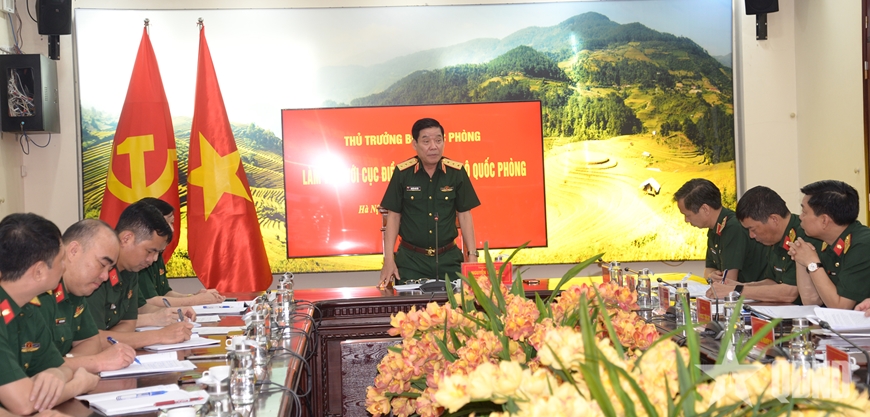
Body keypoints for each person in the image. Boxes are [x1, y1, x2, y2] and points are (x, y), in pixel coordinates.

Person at [0, 213, 99, 414]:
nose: (64, 266)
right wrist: (79, 384)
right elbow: (24, 403)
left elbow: (60, 366)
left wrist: (56, 375)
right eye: (61, 260)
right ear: (38, 271)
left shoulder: (27, 308)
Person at [378, 118, 480, 287]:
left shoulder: (456, 172)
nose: (434, 146)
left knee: (458, 303)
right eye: (426, 141)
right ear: (415, 144)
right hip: (411, 262)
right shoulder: (403, 173)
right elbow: (394, 217)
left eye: (438, 140)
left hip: (449, 259)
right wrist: (388, 259)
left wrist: (472, 256)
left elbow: (465, 215)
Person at [33, 219, 137, 373]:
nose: (105, 277)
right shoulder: (38, 294)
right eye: (102, 265)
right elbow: (36, 368)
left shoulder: (77, 290)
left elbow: (91, 341)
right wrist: (97, 362)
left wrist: (70, 362)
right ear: (73, 251)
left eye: (110, 269)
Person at [86, 202, 194, 349]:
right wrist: (160, 336)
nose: (153, 259)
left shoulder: (130, 270)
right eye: (150, 251)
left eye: (157, 253)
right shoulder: (96, 272)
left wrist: (110, 337)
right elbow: (92, 340)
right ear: (126, 239)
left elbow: (127, 324)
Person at [707, 186, 819, 303]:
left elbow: (790, 292)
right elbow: (772, 282)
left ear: (774, 219)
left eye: (753, 229)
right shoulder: (774, 238)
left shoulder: (804, 236)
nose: (751, 235)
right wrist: (738, 285)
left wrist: (736, 290)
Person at [787, 180, 870, 309]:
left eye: (805, 212)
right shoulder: (825, 241)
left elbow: (841, 307)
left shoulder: (862, 245)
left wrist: (812, 263)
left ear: (824, 221)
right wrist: (801, 258)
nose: (800, 217)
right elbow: (811, 301)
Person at [135, 197, 224, 310]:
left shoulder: (156, 253)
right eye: (168, 223)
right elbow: (149, 301)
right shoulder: (140, 257)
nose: (172, 229)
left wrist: (194, 296)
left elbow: (165, 293)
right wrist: (196, 300)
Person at [674, 178, 768, 284]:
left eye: (687, 215)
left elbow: (728, 281)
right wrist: (710, 276)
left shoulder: (733, 227)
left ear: (705, 209)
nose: (686, 220)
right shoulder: (715, 229)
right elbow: (708, 270)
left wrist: (712, 277)